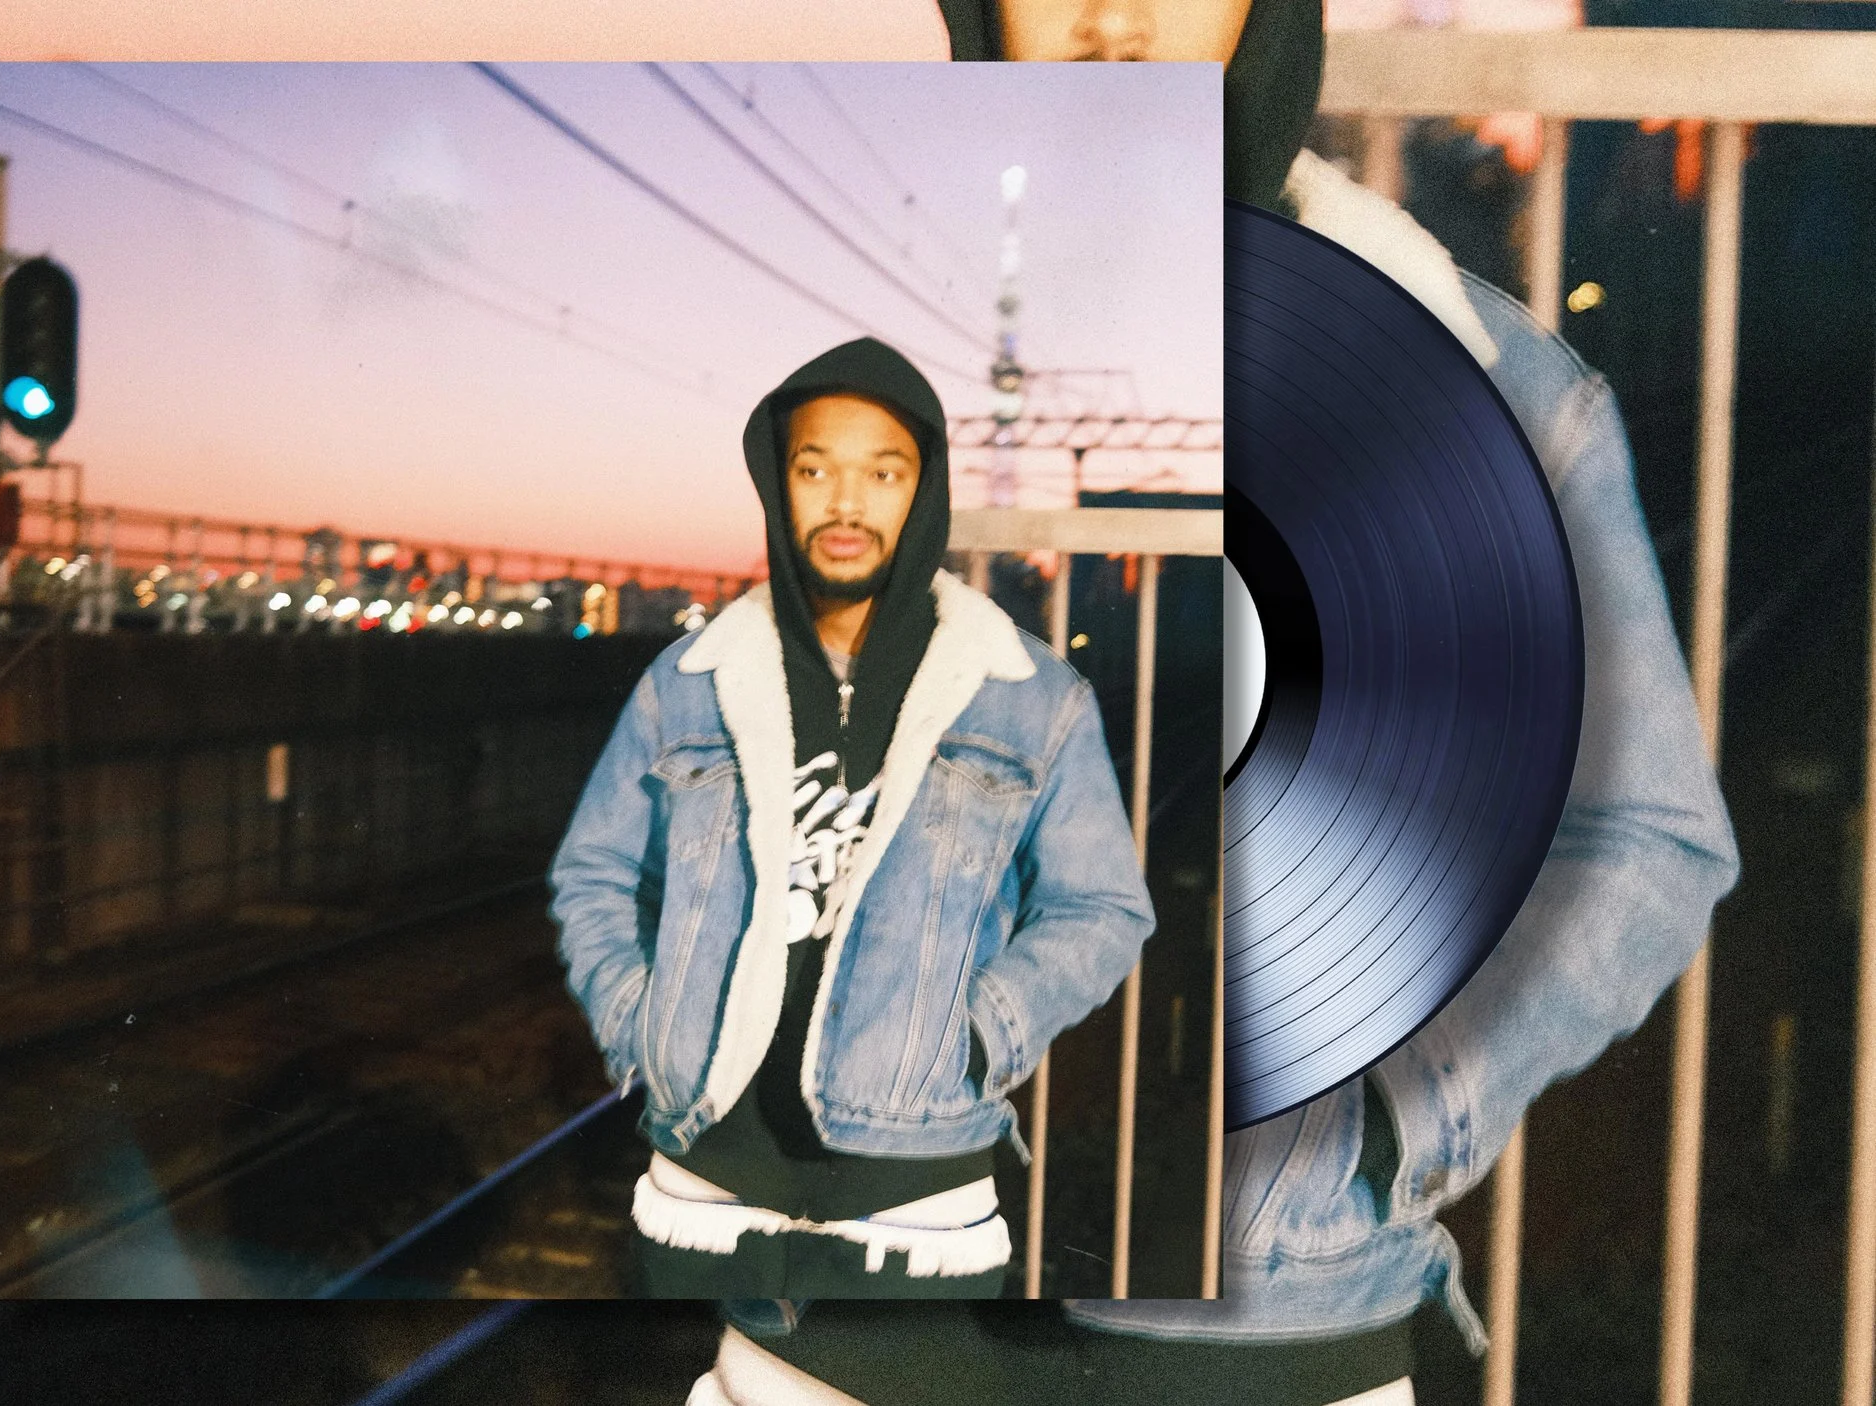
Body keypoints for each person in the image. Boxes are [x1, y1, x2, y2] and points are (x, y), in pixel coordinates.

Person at [680, 0, 1741, 1400]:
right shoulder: (816, 353)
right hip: (842, 1318)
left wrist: (1381, 1126)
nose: (1113, 16)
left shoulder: (1479, 384)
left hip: (1266, 1335)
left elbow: (1642, 839)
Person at [548, 336, 1158, 1300]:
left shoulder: (1028, 696)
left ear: (924, 490)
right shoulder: (688, 682)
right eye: (814, 469)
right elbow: (596, 873)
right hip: (703, 1183)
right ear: (777, 485)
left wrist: (976, 1038)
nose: (845, 502)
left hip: (920, 1199)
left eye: (883, 472)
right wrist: (640, 1024)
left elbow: (1102, 908)